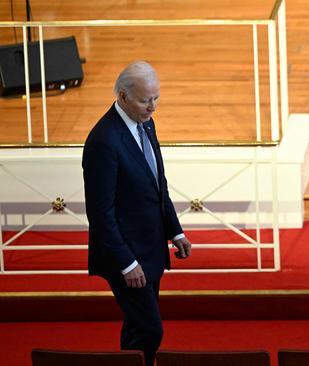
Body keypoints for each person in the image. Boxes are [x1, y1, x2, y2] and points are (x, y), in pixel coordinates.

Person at [82, 61, 192, 366]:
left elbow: (157, 183)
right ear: (122, 96)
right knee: (149, 329)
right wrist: (127, 263)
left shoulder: (145, 123)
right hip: (126, 256)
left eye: (156, 98)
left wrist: (175, 230)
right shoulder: (104, 141)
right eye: (145, 100)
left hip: (150, 249)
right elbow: (100, 214)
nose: (152, 107)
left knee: (137, 330)